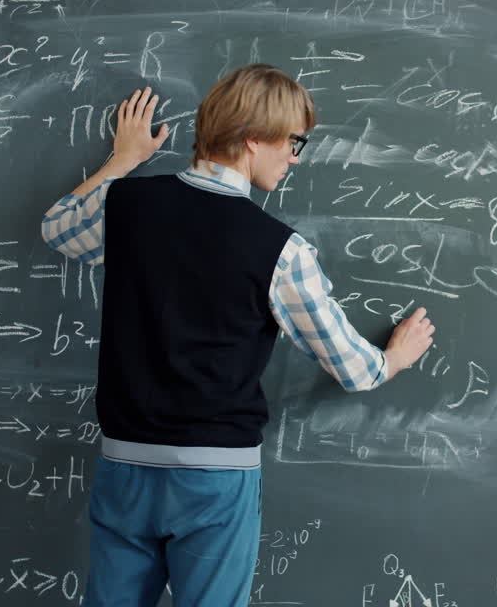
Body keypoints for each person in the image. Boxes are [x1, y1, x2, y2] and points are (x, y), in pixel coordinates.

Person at [40, 64, 436, 606]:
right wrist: (395, 357)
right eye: (294, 141)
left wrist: (125, 159)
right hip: (213, 477)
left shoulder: (128, 205)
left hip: (124, 464)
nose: (296, 156)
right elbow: (355, 369)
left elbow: (59, 229)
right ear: (253, 139)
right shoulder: (279, 249)